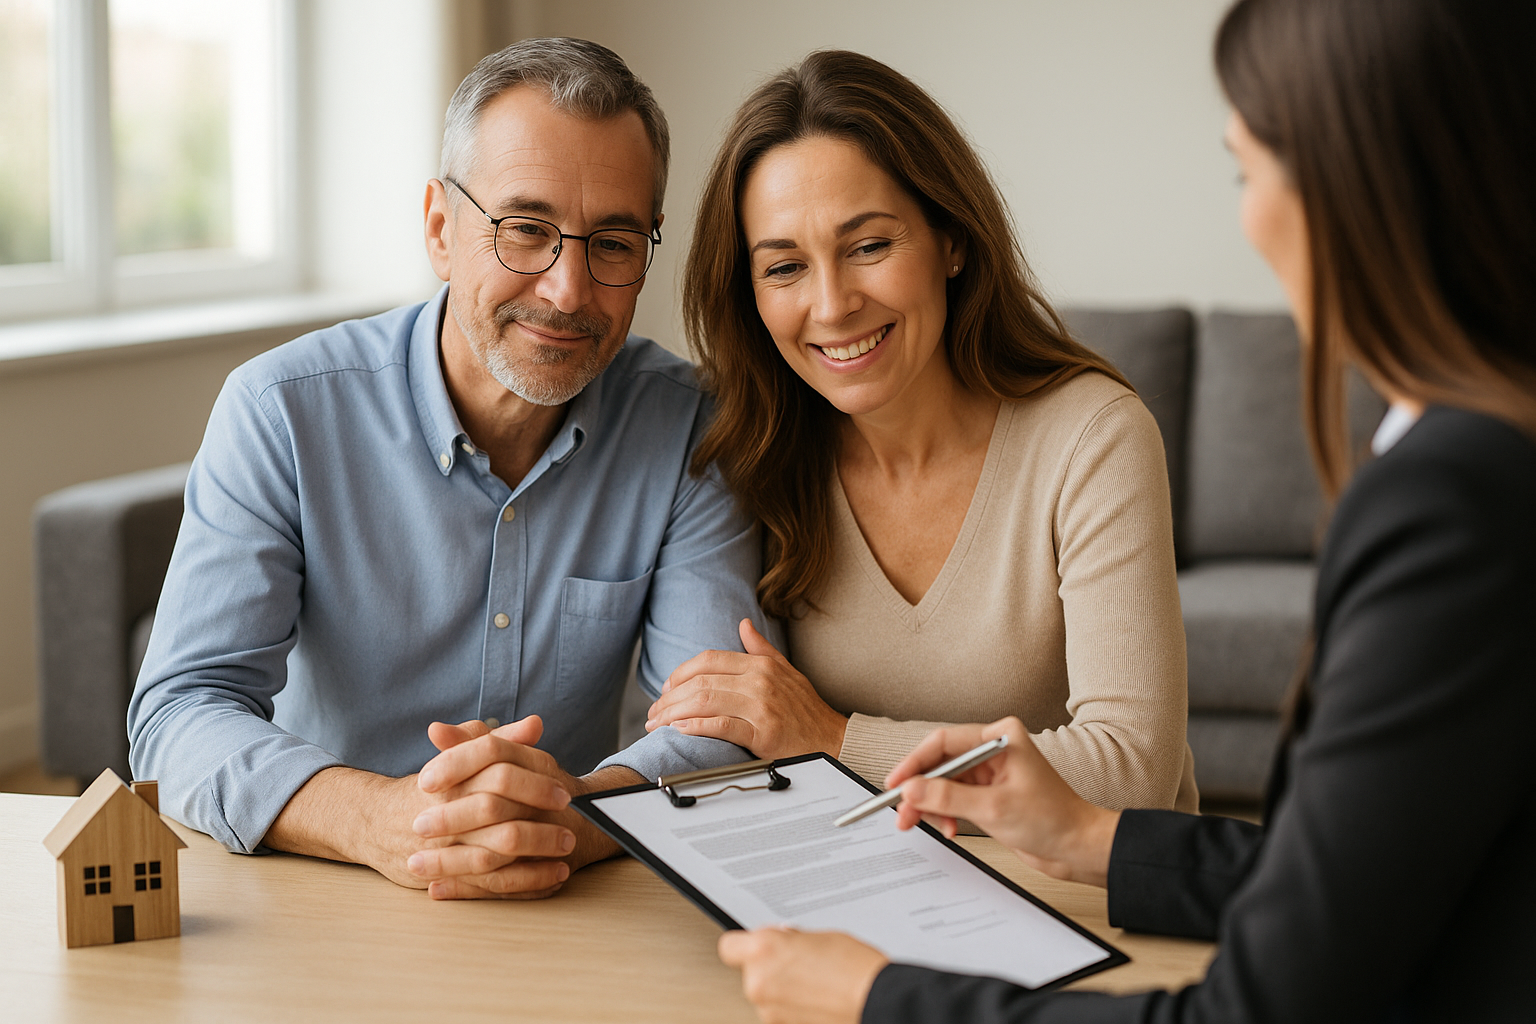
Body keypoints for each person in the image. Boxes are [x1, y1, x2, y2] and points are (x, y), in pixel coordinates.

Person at [716, 0, 1536, 1019]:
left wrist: (885, 1000)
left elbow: (1263, 1002)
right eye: (784, 264)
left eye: (1249, 167)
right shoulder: (1476, 460)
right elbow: (1353, 886)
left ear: (1354, 181)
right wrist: (1098, 838)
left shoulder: (1451, 499)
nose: (830, 301)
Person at [127, 38, 778, 900]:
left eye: (613, 243)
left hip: (567, 891)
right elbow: (179, 715)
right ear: (441, 227)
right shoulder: (280, 411)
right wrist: (382, 819)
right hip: (320, 885)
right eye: (525, 231)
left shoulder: (693, 429)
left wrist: (572, 816)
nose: (568, 289)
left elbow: (722, 724)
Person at [644, 50, 1197, 813]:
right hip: (871, 892)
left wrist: (837, 741)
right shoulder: (756, 452)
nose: (832, 305)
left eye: (869, 246)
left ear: (952, 241)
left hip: (1085, 903)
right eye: (784, 268)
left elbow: (1132, 771)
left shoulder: (1092, 438)